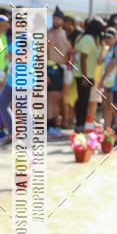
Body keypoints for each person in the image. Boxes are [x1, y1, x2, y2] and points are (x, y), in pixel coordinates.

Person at [74, 18, 104, 132]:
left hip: (86, 74)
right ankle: (80, 125)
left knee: (83, 100)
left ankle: (80, 125)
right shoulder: (88, 39)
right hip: (84, 75)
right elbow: (83, 58)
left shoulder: (90, 38)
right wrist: (85, 77)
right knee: (83, 100)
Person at [47, 7, 70, 137]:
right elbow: (42, 53)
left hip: (60, 69)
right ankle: (49, 126)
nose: (55, 21)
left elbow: (67, 49)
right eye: (54, 18)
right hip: (51, 68)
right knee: (52, 99)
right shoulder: (49, 34)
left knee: (56, 100)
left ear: (62, 20)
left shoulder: (64, 33)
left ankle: (53, 124)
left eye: (57, 18)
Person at [99, 25, 117, 135]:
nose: (107, 40)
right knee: (110, 108)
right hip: (111, 82)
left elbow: (112, 63)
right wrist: (102, 79)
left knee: (114, 108)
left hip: (114, 83)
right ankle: (111, 133)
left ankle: (114, 131)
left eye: (109, 37)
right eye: (105, 37)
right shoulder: (111, 47)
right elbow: (105, 62)